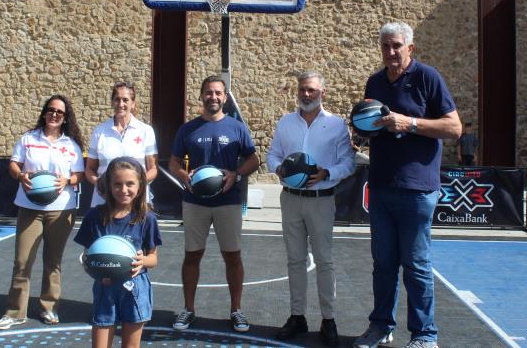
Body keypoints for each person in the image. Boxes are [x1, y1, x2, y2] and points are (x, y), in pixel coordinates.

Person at [354, 22, 462, 348]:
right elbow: (371, 125)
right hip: (382, 185)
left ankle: (425, 335)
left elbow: (454, 128)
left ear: (410, 48)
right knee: (383, 265)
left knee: (415, 266)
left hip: (417, 189)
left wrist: (410, 123)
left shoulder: (427, 78)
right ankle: (381, 326)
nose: (391, 52)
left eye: (397, 46)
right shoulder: (374, 81)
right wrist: (361, 132)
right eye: (386, 46)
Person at [266, 71, 355, 347]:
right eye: (303, 90)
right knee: (295, 260)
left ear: (322, 93)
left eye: (312, 90)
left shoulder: (337, 125)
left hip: (321, 200)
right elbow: (272, 155)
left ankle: (328, 319)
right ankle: (297, 316)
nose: (306, 94)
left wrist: (326, 173)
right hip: (290, 199)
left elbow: (349, 164)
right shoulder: (285, 122)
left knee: (324, 261)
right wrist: (278, 168)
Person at [168, 75, 260, 333]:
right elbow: (173, 162)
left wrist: (237, 174)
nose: (213, 97)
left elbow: (254, 160)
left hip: (228, 202)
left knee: (232, 256)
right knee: (192, 255)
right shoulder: (188, 129)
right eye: (208, 92)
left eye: (218, 93)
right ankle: (188, 309)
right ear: (202, 96)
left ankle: (236, 310)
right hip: (194, 201)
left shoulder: (236, 127)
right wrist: (183, 175)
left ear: (225, 97)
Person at [0, 95, 86, 330]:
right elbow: (14, 164)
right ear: (45, 112)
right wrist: (20, 175)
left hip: (61, 210)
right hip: (30, 208)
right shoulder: (28, 139)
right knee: (22, 261)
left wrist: (68, 179)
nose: (55, 114)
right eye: (51, 110)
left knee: (52, 262)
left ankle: (49, 308)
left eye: (60, 112)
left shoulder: (71, 145)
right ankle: (15, 312)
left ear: (65, 118)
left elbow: (80, 175)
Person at [74, 157, 161, 348]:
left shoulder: (146, 217)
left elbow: (153, 258)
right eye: (117, 184)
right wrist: (96, 270)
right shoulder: (94, 216)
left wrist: (142, 261)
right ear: (108, 186)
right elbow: (87, 255)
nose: (124, 190)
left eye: (130, 184)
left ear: (140, 185)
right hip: (105, 288)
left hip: (135, 289)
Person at [86, 82, 158, 207]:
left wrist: (136, 184)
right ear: (112, 102)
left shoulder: (146, 131)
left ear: (133, 103)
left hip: (137, 201)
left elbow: (153, 169)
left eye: (125, 100)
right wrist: (101, 184)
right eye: (117, 99)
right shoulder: (99, 131)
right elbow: (89, 169)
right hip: (104, 201)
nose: (121, 104)